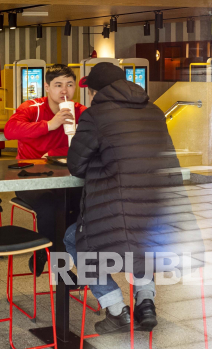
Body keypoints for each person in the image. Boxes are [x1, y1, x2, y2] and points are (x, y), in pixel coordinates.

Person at [66, 62, 203, 334]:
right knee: (142, 242)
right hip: (160, 212)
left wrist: (102, 162)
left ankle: (116, 309)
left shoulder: (95, 115)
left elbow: (76, 166)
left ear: (95, 92)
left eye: (90, 92)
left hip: (119, 208)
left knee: (75, 239)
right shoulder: (154, 111)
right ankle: (146, 301)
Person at [3, 64, 86, 275]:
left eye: (69, 85)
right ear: (47, 87)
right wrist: (50, 124)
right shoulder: (32, 108)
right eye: (58, 85)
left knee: (81, 204)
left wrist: (56, 150)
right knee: (51, 206)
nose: (64, 91)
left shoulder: (80, 111)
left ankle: (48, 248)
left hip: (66, 178)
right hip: (29, 178)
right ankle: (57, 264)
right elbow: (10, 130)